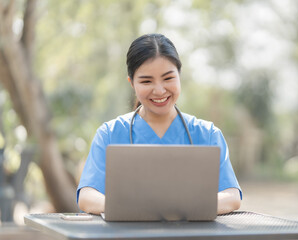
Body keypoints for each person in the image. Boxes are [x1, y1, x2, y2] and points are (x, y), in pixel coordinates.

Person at [77, 33, 242, 215]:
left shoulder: (208, 134)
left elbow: (232, 196)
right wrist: (141, 209)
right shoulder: (110, 133)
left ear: (179, 75)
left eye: (168, 78)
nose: (159, 90)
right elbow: (87, 197)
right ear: (131, 83)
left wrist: (177, 208)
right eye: (146, 81)